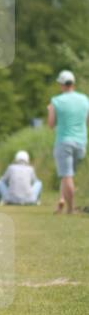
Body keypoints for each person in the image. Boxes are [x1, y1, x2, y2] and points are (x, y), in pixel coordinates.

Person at [47, 70, 89, 214]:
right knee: (68, 175)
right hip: (81, 142)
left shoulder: (56, 101)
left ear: (62, 85)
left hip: (64, 141)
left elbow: (51, 124)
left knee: (66, 175)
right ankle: (62, 199)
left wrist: (50, 110)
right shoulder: (84, 99)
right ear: (73, 84)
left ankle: (70, 209)